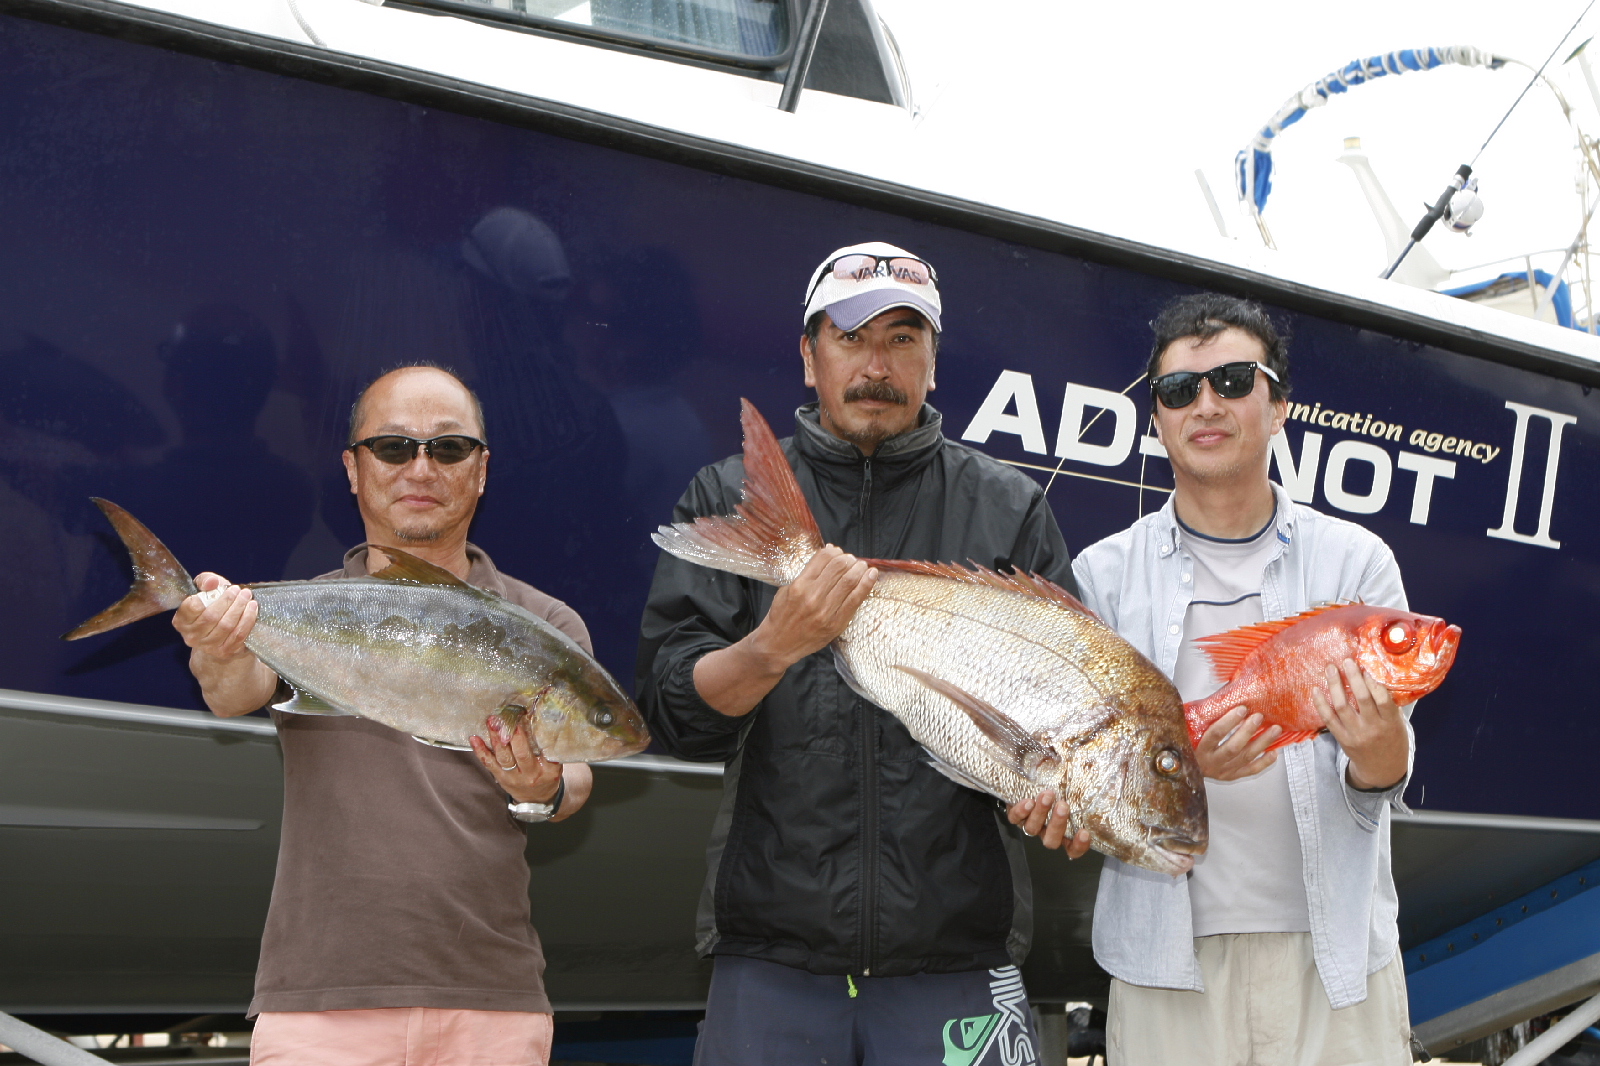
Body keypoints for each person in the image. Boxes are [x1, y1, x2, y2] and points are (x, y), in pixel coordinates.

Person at [637, 241, 1082, 1065]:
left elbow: (1058, 716)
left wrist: (1059, 800)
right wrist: (773, 646)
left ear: (934, 363)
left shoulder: (1010, 509)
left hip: (958, 960)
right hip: (773, 957)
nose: (877, 364)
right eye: (850, 338)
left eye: (903, 339)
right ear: (809, 358)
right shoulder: (728, 494)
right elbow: (676, 714)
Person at [172, 365, 594, 1066]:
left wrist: (540, 789)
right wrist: (216, 644)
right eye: (393, 447)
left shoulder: (543, 623)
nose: (420, 467)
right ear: (353, 469)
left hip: (492, 1005)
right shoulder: (306, 609)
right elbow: (232, 692)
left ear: (481, 470)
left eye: (448, 447)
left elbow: (577, 776)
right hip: (319, 1007)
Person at [1047, 293, 1415, 1065]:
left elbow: (1383, 779)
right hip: (1164, 970)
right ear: (1157, 419)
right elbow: (1085, 773)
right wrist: (1187, 768)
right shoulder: (1102, 577)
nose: (1206, 405)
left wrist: (1381, 746)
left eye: (1234, 381)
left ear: (1279, 405)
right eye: (1180, 390)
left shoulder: (1357, 562)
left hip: (1337, 959)